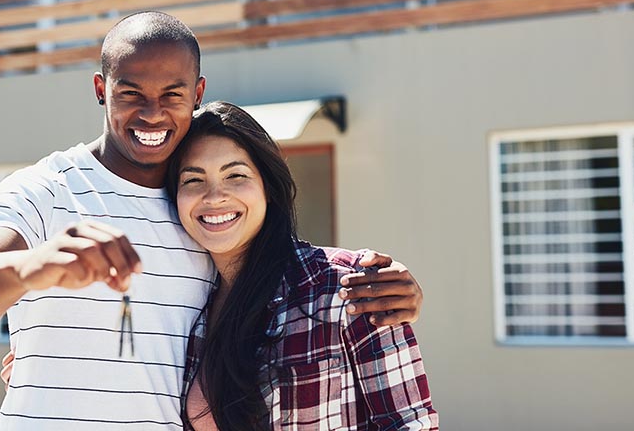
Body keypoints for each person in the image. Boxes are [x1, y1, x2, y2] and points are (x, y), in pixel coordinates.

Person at [0, 11, 424, 430]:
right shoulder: (45, 190)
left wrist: (380, 285)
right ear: (101, 88)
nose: (151, 114)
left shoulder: (200, 220)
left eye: (172, 94)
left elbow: (272, 282)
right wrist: (32, 269)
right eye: (130, 93)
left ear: (198, 91)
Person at [165, 101, 438, 431]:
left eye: (235, 175)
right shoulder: (188, 307)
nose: (214, 196)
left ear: (268, 186)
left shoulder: (346, 289)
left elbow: (410, 424)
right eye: (193, 180)